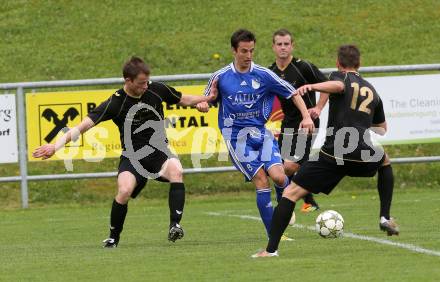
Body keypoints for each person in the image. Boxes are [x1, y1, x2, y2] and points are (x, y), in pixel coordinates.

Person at [32, 56, 217, 248]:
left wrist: (205, 101)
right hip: (132, 157)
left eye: (147, 82)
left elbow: (184, 99)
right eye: (140, 83)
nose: (145, 86)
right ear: (127, 81)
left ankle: (175, 226)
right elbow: (82, 127)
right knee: (124, 190)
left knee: (177, 170)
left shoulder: (156, 89)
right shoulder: (115, 102)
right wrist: (55, 146)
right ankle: (113, 238)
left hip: (159, 153)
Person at [253, 44, 398, 258]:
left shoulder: (340, 78)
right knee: (385, 160)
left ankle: (270, 250)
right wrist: (359, 121)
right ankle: (384, 217)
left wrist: (311, 87)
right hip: (362, 152)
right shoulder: (371, 90)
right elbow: (382, 129)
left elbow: (338, 86)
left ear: (339, 63)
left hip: (335, 153)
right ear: (360, 64)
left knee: (291, 194)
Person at [196, 29, 314, 239]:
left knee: (279, 177)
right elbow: (206, 99)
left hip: (261, 133)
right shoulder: (220, 77)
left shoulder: (263, 74)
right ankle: (275, 236)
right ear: (234, 51)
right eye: (244, 51)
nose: (248, 56)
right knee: (261, 180)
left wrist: (306, 116)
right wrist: (203, 104)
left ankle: (284, 204)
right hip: (236, 138)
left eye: (251, 51)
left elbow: (293, 93)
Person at [269, 28, 328, 212]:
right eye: (279, 44)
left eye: (287, 44)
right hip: (287, 123)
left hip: (307, 122)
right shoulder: (270, 72)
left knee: (290, 166)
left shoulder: (303, 67)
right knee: (280, 168)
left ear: (292, 46)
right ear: (273, 47)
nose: (283, 48)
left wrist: (318, 107)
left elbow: (327, 86)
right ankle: (308, 199)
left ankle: (290, 202)